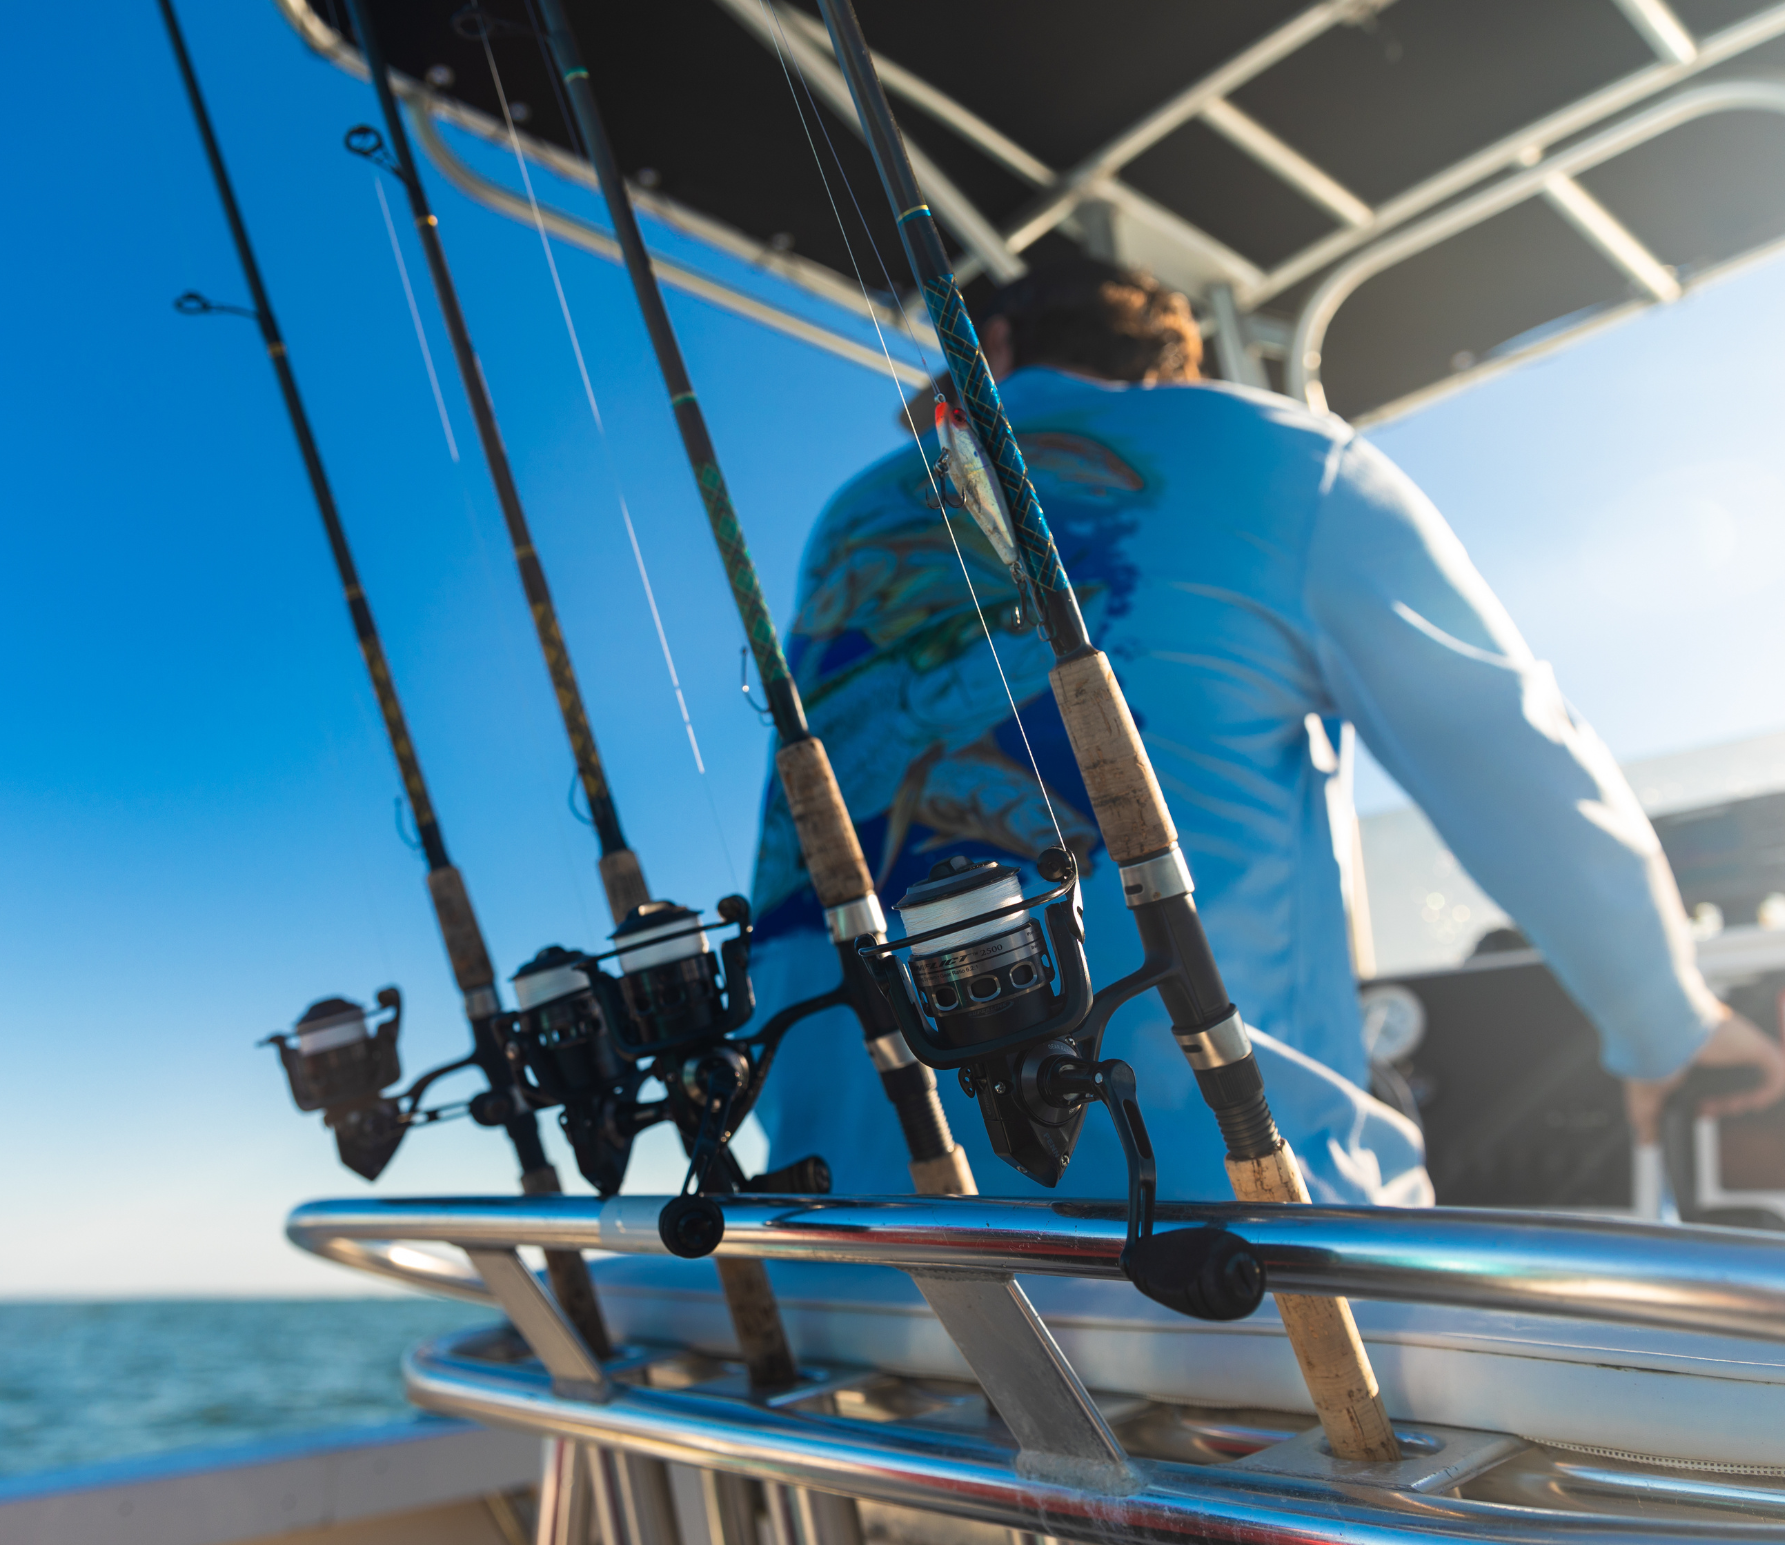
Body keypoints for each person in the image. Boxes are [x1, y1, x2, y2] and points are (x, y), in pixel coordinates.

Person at [746, 257, 1785, 1205]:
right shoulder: (1283, 453)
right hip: (1224, 1246)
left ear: (999, 342)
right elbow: (1504, 750)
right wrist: (1664, 1020)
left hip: (846, 1230)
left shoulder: (847, 515)